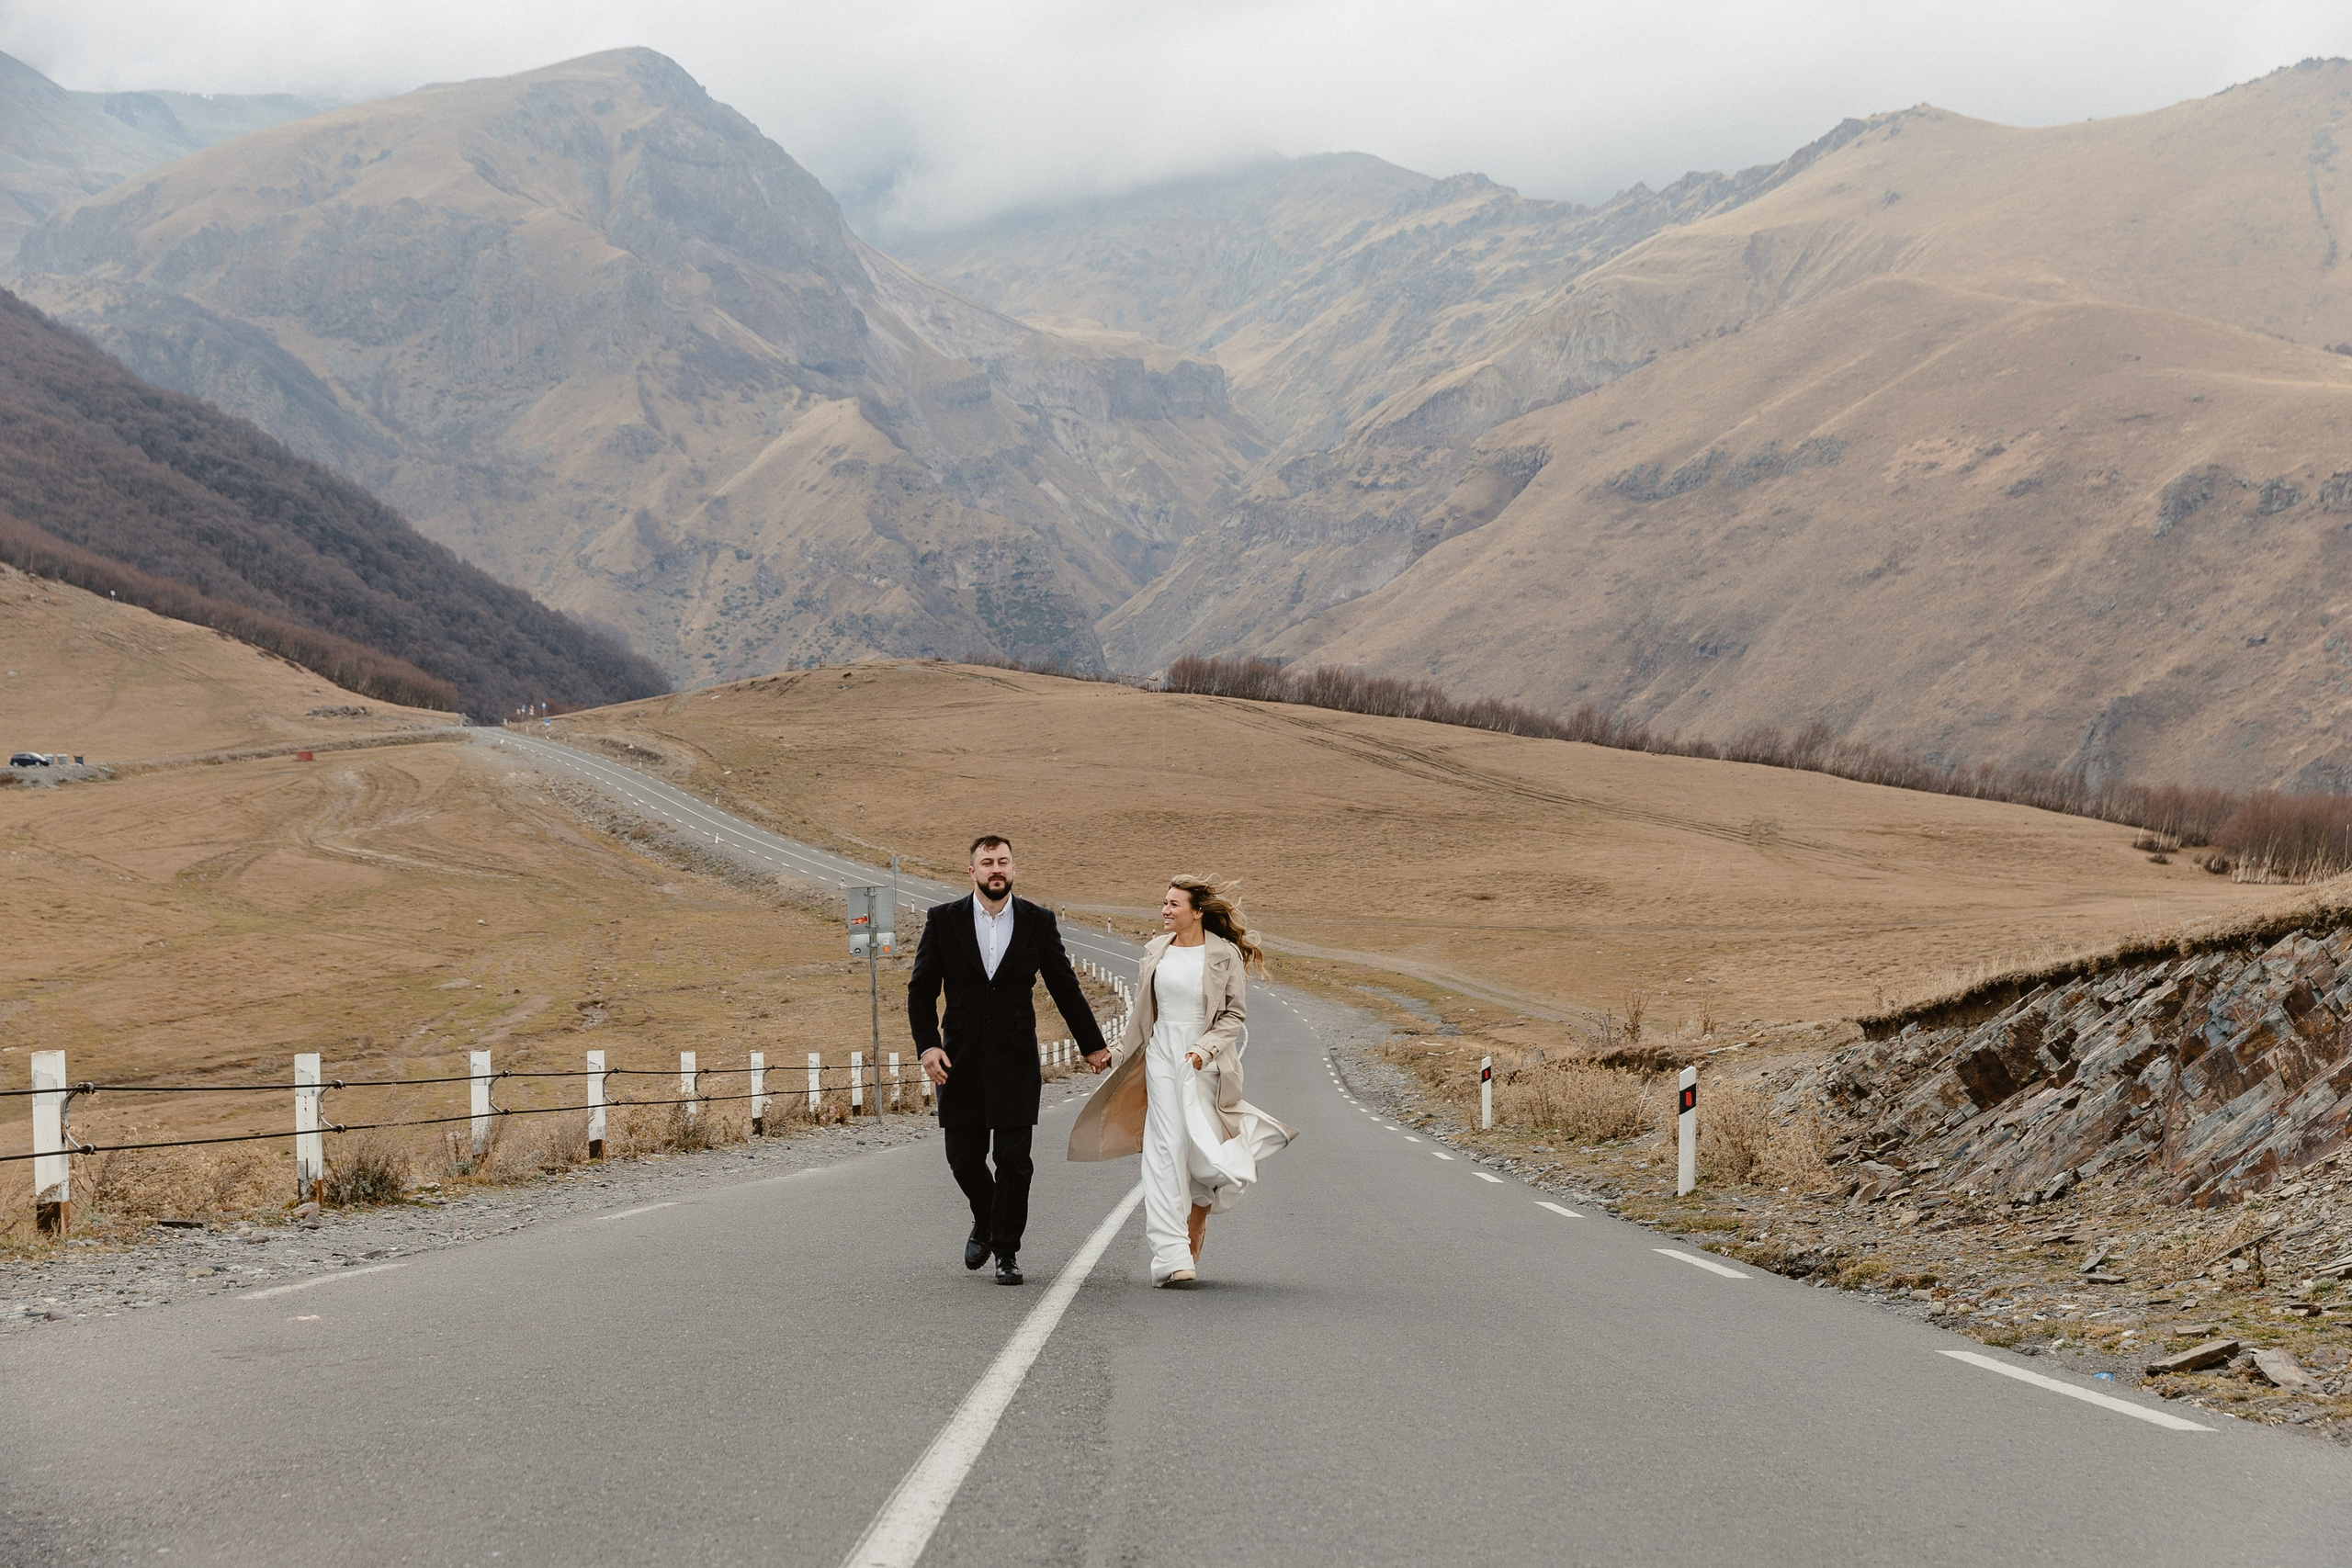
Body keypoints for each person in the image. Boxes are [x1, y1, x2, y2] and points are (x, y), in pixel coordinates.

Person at [1068, 876, 1295, 1287]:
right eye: (1164, 903)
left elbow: (1233, 1016)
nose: (1166, 911)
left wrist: (1203, 1050)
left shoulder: (1223, 954)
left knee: (1203, 1157)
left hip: (1205, 1067)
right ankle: (1173, 1258)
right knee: (1162, 1153)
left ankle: (1201, 1205)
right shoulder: (1156, 951)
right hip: (1159, 1059)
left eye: (1174, 904)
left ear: (1197, 911)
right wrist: (1116, 1053)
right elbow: (1142, 1016)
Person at [908, 835, 1110, 1286]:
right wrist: (928, 1045)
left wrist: (1092, 1044)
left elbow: (1063, 985)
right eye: (986, 862)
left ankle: (1007, 1251)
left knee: (1014, 1160)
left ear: (1014, 868)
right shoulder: (944, 920)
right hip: (956, 1059)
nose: (995, 869)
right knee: (963, 1158)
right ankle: (986, 1215)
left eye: (1003, 862)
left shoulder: (1038, 921)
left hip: (1016, 1059)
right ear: (972, 871)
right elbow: (921, 989)